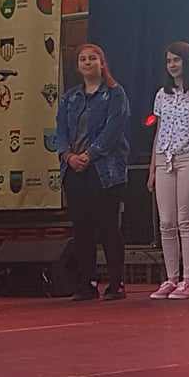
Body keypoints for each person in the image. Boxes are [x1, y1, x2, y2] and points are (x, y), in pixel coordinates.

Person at [56, 43, 130, 301]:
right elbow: (60, 131)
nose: (87, 63)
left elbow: (113, 129)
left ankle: (116, 283)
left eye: (92, 58)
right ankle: (87, 283)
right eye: (83, 59)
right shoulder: (70, 97)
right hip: (74, 170)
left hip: (104, 169)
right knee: (81, 228)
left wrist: (90, 154)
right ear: (78, 66)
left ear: (102, 63)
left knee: (108, 226)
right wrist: (68, 156)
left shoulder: (114, 93)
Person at [147, 42, 189, 299]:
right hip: (164, 158)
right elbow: (159, 132)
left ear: (188, 61)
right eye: (169, 61)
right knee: (166, 222)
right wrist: (153, 168)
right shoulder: (162, 95)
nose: (173, 65)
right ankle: (171, 277)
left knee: (185, 220)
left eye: (177, 60)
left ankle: (188, 279)